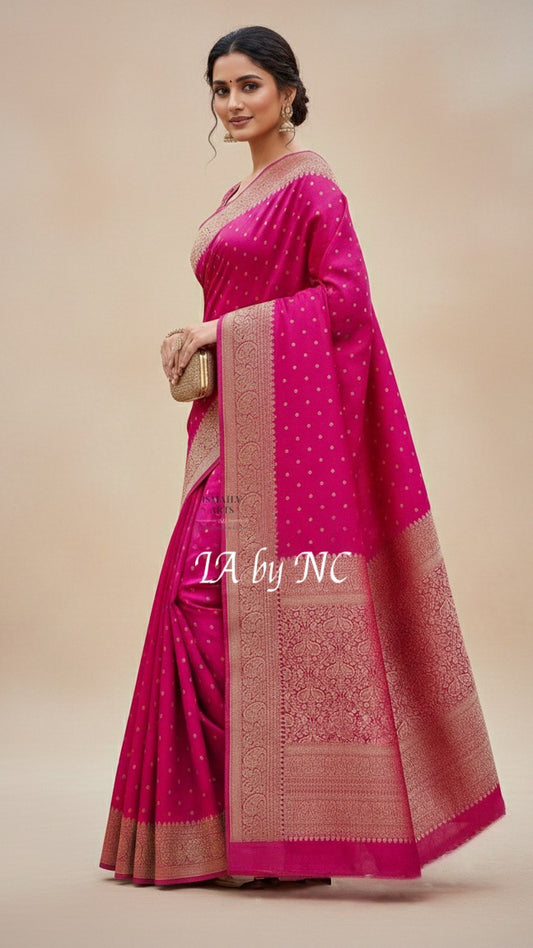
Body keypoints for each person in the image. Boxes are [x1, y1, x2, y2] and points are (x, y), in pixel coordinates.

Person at [99, 25, 506, 888]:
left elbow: (344, 303)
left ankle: (282, 838)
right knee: (203, 607)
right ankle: (234, 837)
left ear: (287, 91)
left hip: (289, 443)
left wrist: (220, 332)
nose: (232, 103)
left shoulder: (313, 187)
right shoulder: (237, 196)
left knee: (226, 606)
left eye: (248, 85)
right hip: (231, 428)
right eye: (219, 89)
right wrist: (195, 341)